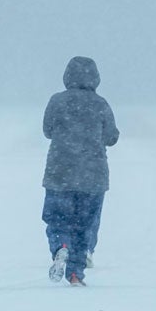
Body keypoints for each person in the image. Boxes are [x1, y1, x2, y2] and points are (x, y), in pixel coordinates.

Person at [41, 56, 119, 286]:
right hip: (92, 177)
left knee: (57, 219)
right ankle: (75, 273)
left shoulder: (57, 101)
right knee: (83, 224)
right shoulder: (101, 104)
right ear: (95, 78)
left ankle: (60, 247)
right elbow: (111, 137)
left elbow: (47, 130)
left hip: (59, 173)